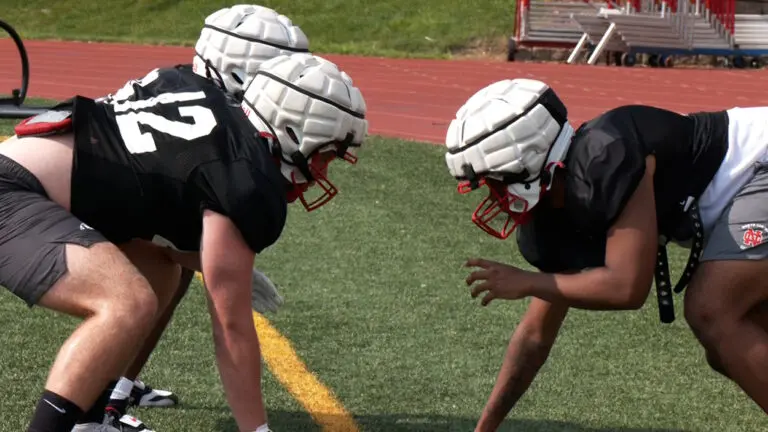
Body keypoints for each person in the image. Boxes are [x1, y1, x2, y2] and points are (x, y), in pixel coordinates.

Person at [4, 48, 367, 432]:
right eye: (326, 155)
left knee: (159, 272)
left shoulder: (198, 91)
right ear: (294, 130)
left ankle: (88, 422)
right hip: (13, 195)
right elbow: (232, 330)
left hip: (25, 178)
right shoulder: (245, 180)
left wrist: (205, 260)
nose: (324, 170)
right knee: (127, 301)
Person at [442, 78, 768, 429]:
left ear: (526, 163)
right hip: (746, 185)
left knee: (712, 310)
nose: (494, 198)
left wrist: (527, 282)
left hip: (758, 160)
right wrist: (485, 427)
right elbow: (535, 336)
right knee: (734, 345)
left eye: (494, 183)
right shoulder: (559, 204)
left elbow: (626, 288)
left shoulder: (604, 156)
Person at [70, 4, 312, 431]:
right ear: (240, 71)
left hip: (85, 192)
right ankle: (102, 402)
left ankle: (114, 389)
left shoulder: (188, 83)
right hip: (65, 205)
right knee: (155, 279)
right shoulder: (213, 114)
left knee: (171, 271)